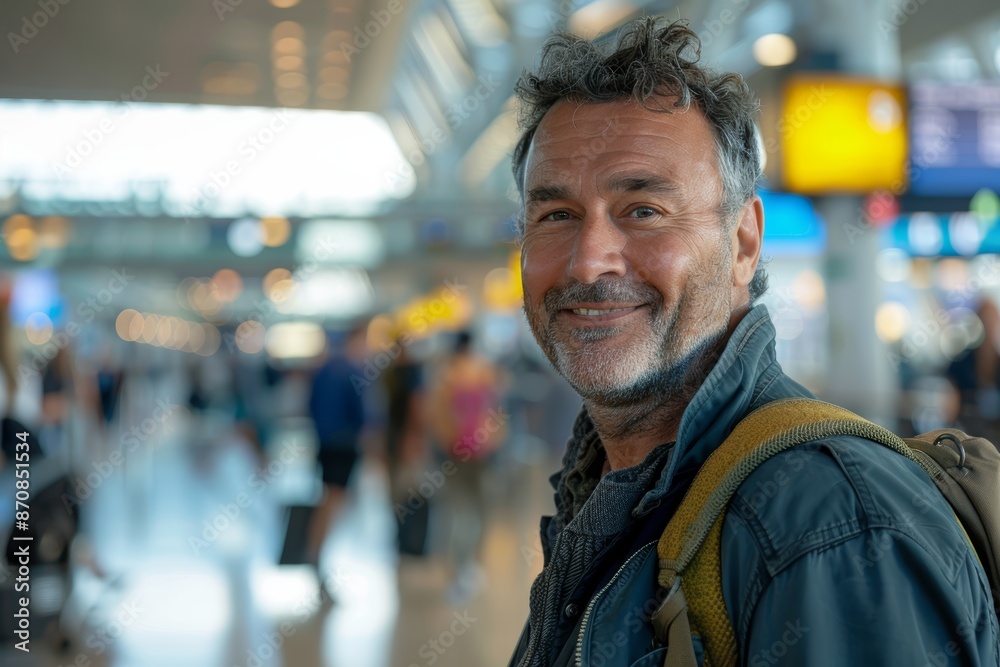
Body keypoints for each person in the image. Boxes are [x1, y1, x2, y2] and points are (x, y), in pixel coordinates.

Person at [507, 18, 998, 667]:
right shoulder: (608, 490)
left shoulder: (829, 524)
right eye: (556, 215)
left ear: (743, 243)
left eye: (644, 211)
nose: (588, 260)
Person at [428, 330, 505, 602]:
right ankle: (473, 565)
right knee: (480, 509)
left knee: (456, 510)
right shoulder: (486, 372)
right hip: (483, 451)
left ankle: (459, 570)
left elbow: (436, 418)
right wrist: (494, 441)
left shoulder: (445, 375)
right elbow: (497, 412)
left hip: (454, 453)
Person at [305, 324, 368, 574]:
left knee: (328, 497)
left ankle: (316, 548)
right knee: (333, 500)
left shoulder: (322, 371)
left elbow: (310, 406)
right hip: (344, 445)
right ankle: (317, 550)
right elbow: (361, 414)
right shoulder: (352, 372)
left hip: (325, 443)